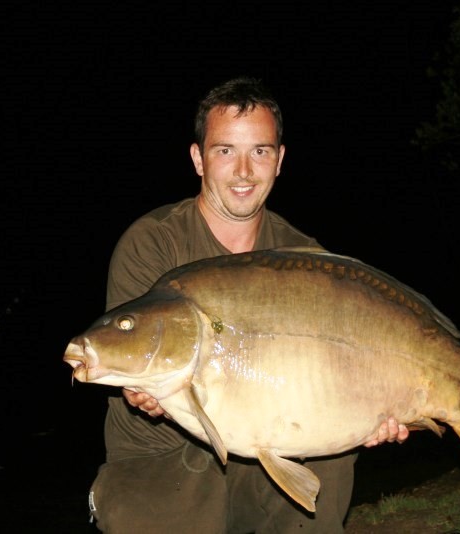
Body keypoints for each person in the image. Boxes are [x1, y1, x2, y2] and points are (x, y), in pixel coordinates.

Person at [88, 76, 409, 533]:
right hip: (163, 461)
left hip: (266, 448)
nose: (243, 171)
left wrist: (375, 413)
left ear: (280, 160)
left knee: (331, 454)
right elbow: (138, 349)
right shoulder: (152, 242)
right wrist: (142, 389)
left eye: (259, 151)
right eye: (225, 151)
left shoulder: (308, 261)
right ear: (198, 158)